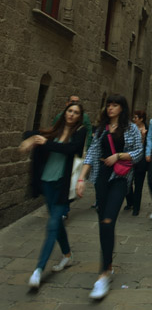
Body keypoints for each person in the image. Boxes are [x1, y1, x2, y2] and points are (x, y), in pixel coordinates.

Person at [76, 94, 143, 300]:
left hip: (120, 179)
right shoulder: (101, 129)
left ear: (122, 108)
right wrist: (81, 179)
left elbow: (139, 152)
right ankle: (108, 264)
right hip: (101, 179)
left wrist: (119, 156)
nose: (110, 109)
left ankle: (103, 274)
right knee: (104, 224)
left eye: (115, 105)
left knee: (107, 221)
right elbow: (92, 153)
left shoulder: (130, 128)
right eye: (109, 105)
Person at [20, 101, 86, 289]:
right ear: (65, 112)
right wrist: (30, 140)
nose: (72, 114)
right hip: (47, 182)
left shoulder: (80, 132)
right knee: (56, 224)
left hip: (61, 185)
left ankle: (38, 270)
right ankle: (67, 254)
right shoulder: (55, 130)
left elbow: (70, 149)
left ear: (80, 116)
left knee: (52, 226)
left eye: (76, 112)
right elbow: (32, 135)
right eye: (70, 111)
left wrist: (46, 143)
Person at [124, 110, 148, 216]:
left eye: (136, 118)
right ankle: (130, 202)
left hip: (141, 161)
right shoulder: (130, 129)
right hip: (130, 158)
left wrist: (143, 137)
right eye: (133, 118)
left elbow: (144, 147)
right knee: (127, 182)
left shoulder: (147, 130)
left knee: (138, 184)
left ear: (141, 119)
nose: (134, 120)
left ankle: (136, 207)